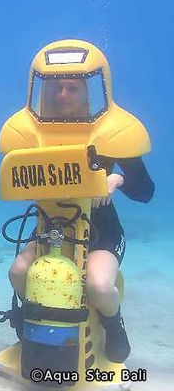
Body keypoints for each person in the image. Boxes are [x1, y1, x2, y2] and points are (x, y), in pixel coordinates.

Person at [8, 76, 155, 363]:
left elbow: (145, 191)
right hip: (51, 230)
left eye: (72, 88)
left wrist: (117, 179)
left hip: (102, 233)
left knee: (98, 286)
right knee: (18, 272)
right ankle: (39, 318)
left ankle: (114, 326)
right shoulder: (35, 133)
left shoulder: (109, 133)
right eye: (58, 88)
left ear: (87, 92)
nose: (64, 94)